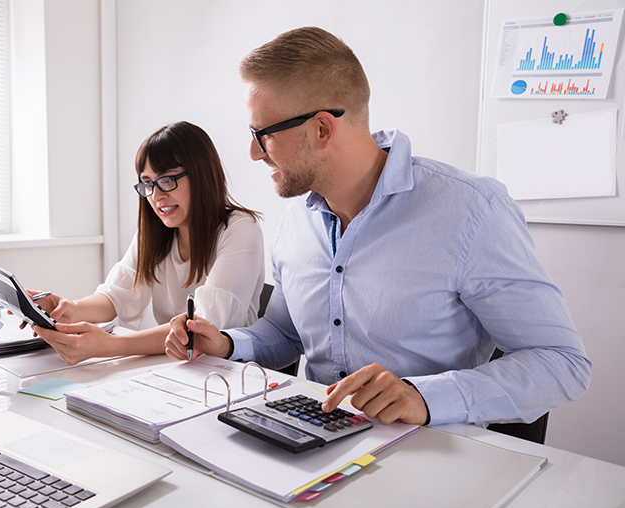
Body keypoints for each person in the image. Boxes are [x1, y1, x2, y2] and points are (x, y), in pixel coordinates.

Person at [166, 27, 591, 428]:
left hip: (430, 456)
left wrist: (426, 397)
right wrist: (226, 345)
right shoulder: (298, 218)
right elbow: (285, 332)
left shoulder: (472, 211)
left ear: (321, 128)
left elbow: (562, 362)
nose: (255, 153)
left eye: (263, 134)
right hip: (312, 442)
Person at [32, 121, 264, 364]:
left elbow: (203, 326)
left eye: (167, 180)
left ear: (202, 175)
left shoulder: (241, 228)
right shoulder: (157, 230)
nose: (156, 196)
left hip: (230, 376)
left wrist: (108, 346)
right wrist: (70, 308)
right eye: (148, 183)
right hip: (177, 367)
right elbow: (117, 294)